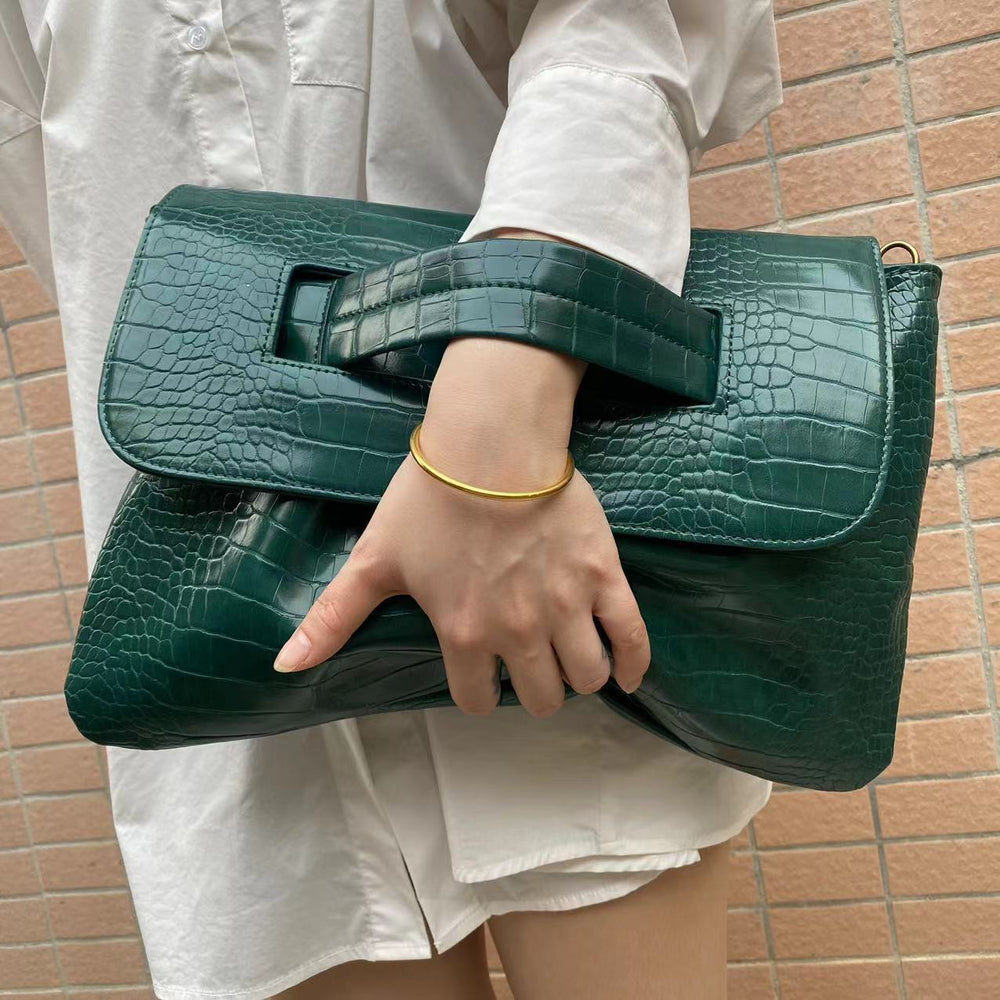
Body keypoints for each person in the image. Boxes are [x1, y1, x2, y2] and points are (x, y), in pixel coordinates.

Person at [0, 2, 782, 997]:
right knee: (297, 889)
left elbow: (627, 25)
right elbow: (59, 178)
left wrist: (501, 405)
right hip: (226, 571)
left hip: (553, 479)